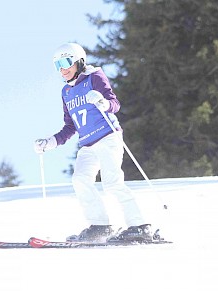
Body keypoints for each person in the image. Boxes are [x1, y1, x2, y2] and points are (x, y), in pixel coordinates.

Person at [34, 42, 154, 243]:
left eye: (65, 62)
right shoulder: (66, 92)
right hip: (88, 145)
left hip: (108, 137)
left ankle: (140, 226)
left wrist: (102, 102)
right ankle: (100, 226)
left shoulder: (94, 77)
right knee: (80, 180)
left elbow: (114, 104)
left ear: (79, 61)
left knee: (112, 182)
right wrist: (50, 142)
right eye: (57, 65)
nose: (62, 69)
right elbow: (70, 126)